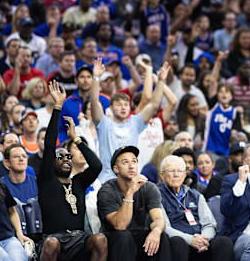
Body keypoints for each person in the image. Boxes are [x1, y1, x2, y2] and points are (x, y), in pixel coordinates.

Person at [38, 81, 107, 261]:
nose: (66, 159)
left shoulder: (78, 182)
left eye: (68, 157)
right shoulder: (47, 180)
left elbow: (97, 166)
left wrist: (76, 139)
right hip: (54, 238)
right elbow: (50, 143)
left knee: (100, 239)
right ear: (52, 162)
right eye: (60, 157)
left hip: (78, 238)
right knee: (52, 243)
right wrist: (58, 106)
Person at [91, 58, 170, 183]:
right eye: (118, 104)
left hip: (131, 182)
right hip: (107, 181)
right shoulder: (104, 123)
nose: (123, 107)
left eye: (126, 104)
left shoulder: (135, 122)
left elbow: (153, 105)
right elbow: (94, 102)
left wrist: (160, 81)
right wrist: (95, 78)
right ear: (110, 108)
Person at [97, 146, 172, 261]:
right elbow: (120, 225)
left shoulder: (149, 187)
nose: (131, 166)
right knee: (123, 235)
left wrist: (156, 231)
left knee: (162, 236)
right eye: (125, 162)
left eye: (134, 161)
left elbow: (159, 219)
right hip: (116, 239)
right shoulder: (106, 191)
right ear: (116, 169)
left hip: (140, 236)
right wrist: (130, 192)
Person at [159, 155, 234, 261]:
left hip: (201, 242)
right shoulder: (157, 195)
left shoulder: (196, 195)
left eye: (180, 171)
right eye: (171, 171)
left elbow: (209, 224)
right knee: (177, 242)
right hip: (179, 242)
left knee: (224, 242)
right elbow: (165, 227)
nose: (176, 175)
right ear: (162, 175)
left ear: (185, 174)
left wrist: (204, 238)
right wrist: (191, 240)